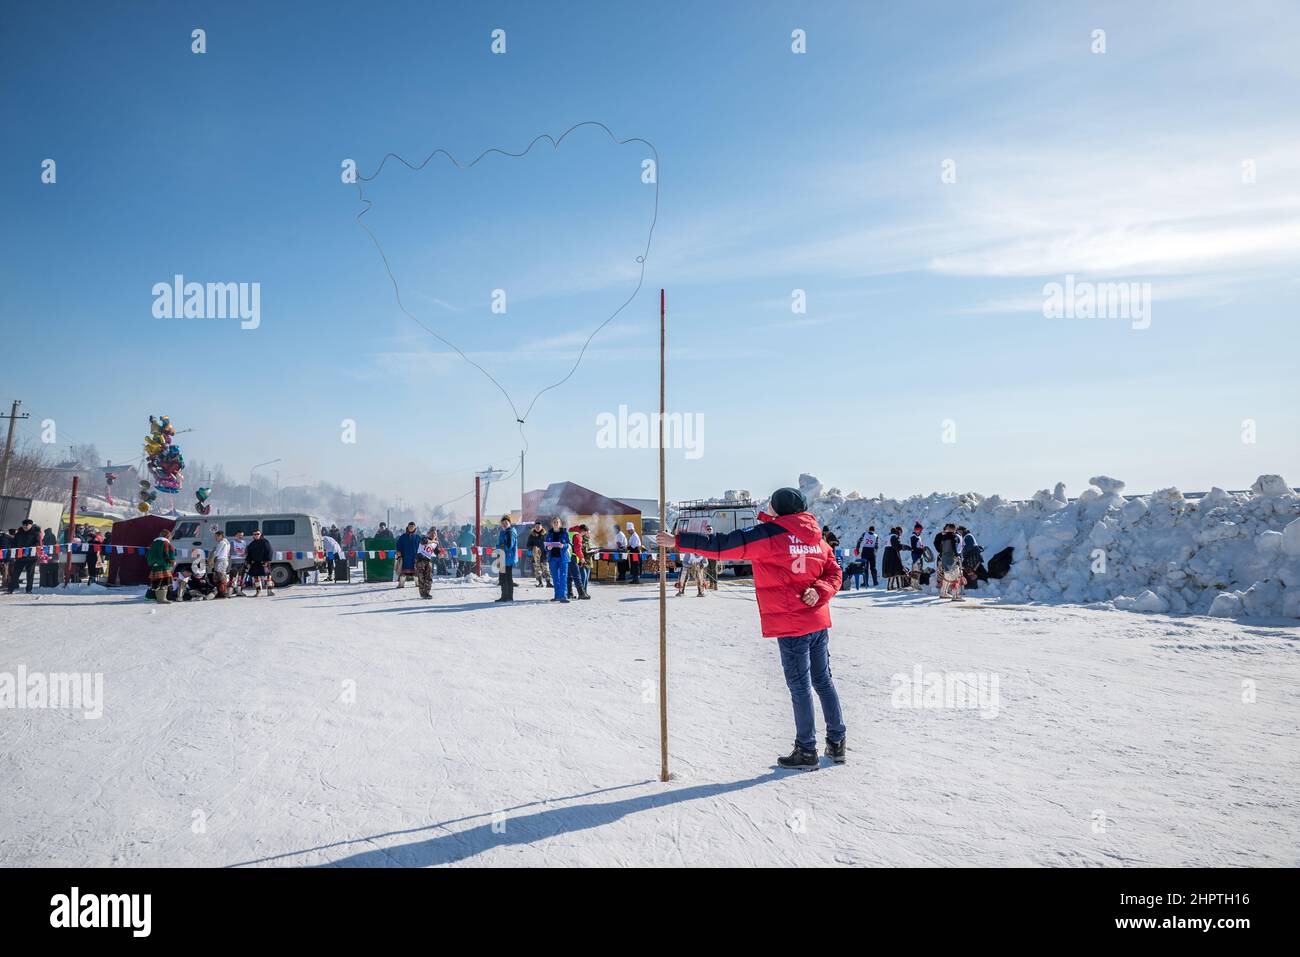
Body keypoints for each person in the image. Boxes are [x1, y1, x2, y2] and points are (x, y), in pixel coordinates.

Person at [656, 486, 846, 769]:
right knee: (822, 680)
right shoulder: (817, 538)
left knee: (800, 686)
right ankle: (837, 742)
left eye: (770, 505)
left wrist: (678, 541)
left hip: (792, 623)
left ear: (779, 509)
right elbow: (835, 572)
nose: (766, 509)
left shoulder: (770, 535)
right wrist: (820, 590)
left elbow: (723, 545)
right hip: (817, 620)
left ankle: (806, 749)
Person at [7, 518, 41, 594]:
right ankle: (11, 589)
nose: (25, 526)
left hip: (31, 557)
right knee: (15, 573)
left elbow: (38, 544)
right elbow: (14, 543)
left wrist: (28, 550)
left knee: (30, 574)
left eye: (27, 525)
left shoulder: (35, 533)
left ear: (31, 525)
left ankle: (29, 589)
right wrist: (14, 550)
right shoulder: (19, 533)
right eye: (24, 525)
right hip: (20, 556)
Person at [543, 516, 570, 603]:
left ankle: (563, 596)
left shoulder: (564, 533)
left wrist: (563, 546)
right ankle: (557, 596)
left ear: (560, 524)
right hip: (553, 559)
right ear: (552, 524)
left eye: (557, 522)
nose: (555, 523)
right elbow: (546, 547)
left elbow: (569, 545)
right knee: (555, 578)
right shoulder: (549, 534)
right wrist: (548, 548)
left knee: (563, 577)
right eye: (554, 522)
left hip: (563, 558)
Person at [146, 527, 176, 603]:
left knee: (157, 582)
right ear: (167, 536)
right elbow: (169, 554)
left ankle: (159, 598)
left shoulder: (154, 543)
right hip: (164, 565)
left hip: (155, 566)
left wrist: (152, 562)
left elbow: (148, 554)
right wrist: (172, 562)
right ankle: (162, 599)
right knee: (164, 582)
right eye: (170, 536)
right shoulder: (166, 543)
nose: (170, 537)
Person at [934, 523, 964, 601]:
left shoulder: (943, 537)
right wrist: (957, 555)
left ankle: (943, 593)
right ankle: (956, 595)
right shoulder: (953, 537)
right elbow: (954, 548)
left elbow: (937, 545)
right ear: (953, 529)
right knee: (956, 576)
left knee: (947, 576)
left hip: (944, 558)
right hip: (951, 558)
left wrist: (940, 552)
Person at [245, 527, 275, 596]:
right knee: (256, 577)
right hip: (255, 563)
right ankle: (258, 591)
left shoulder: (265, 542)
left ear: (260, 534)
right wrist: (248, 562)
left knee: (268, 576)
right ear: (253, 535)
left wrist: (267, 561)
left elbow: (269, 551)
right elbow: (249, 554)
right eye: (254, 534)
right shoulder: (251, 544)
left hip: (264, 562)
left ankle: (269, 591)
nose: (256, 535)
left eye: (258, 534)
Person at [495, 516, 517, 603]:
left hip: (508, 558)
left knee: (507, 577)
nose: (504, 525)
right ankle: (504, 596)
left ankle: (508, 597)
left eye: (506, 523)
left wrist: (498, 547)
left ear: (509, 523)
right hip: (503, 557)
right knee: (503, 578)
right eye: (503, 523)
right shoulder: (504, 532)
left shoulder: (510, 533)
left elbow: (508, 546)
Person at [567, 522, 590, 600]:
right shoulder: (578, 535)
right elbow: (577, 549)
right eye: (585, 533)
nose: (584, 535)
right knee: (577, 576)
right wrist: (582, 558)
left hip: (566, 556)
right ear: (583, 531)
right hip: (572, 557)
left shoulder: (570, 532)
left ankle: (569, 594)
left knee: (568, 577)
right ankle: (581, 594)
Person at [395, 521, 420, 589]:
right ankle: (401, 584)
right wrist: (398, 551)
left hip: (415, 557)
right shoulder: (403, 537)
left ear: (415, 528)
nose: (411, 528)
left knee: (416, 571)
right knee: (403, 571)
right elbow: (398, 544)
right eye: (410, 526)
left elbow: (421, 546)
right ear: (407, 527)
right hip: (405, 557)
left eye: (412, 527)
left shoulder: (417, 537)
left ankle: (417, 583)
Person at [882, 526, 907, 590]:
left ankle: (890, 586)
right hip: (893, 555)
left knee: (891, 571)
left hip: (887, 555)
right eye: (901, 533)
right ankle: (900, 586)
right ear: (899, 531)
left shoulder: (888, 536)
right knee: (898, 570)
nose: (901, 535)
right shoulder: (894, 536)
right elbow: (897, 546)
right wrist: (905, 547)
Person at [526, 521, 550, 588]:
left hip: (544, 555)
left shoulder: (545, 535)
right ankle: (540, 582)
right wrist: (533, 548)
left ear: (541, 527)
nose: (538, 528)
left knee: (546, 569)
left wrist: (548, 549)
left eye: (539, 526)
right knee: (537, 570)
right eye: (536, 526)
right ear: (534, 527)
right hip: (535, 556)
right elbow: (528, 545)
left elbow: (549, 544)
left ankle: (548, 582)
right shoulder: (531, 535)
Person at [416, 530, 437, 599]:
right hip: (421, 560)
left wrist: (441, 553)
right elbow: (424, 542)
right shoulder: (424, 538)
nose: (433, 535)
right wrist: (433, 541)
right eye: (432, 533)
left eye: (434, 534)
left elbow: (436, 551)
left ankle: (427, 593)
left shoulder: (436, 543)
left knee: (429, 577)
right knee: (421, 577)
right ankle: (422, 593)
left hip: (429, 561)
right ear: (429, 534)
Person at [210, 529, 231, 598]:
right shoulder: (227, 542)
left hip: (221, 560)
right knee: (220, 576)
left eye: (216, 536)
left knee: (221, 576)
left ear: (221, 536)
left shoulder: (222, 543)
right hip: (224, 560)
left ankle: (223, 593)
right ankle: (221, 592)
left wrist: (212, 560)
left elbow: (217, 552)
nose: (215, 538)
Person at [230, 530, 248, 596]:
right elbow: (228, 552)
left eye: (242, 535)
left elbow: (246, 551)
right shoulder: (232, 543)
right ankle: (230, 591)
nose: (240, 536)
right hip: (235, 562)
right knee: (233, 577)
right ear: (235, 536)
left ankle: (239, 591)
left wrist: (245, 553)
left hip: (242, 562)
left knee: (241, 577)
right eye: (239, 535)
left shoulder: (244, 542)